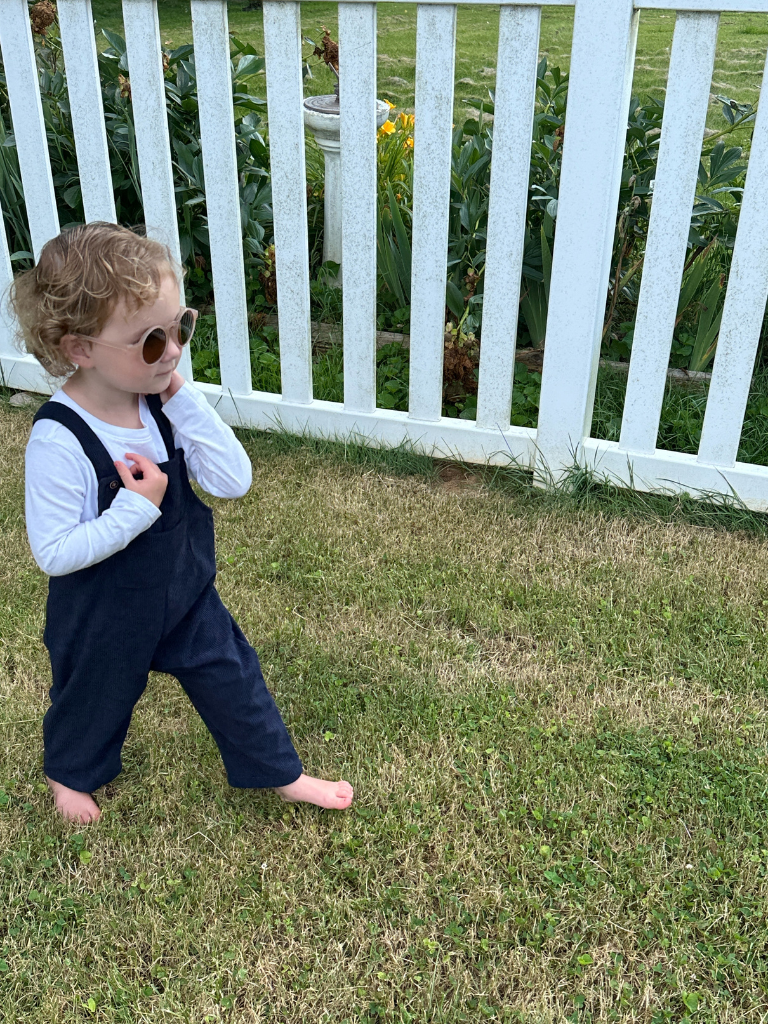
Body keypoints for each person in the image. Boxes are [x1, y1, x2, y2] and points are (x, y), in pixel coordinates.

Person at [9, 221, 353, 824]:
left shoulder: (163, 405)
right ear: (79, 348)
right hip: (102, 610)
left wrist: (183, 400)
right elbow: (54, 552)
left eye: (180, 328)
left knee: (233, 673)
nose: (171, 350)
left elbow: (233, 481)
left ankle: (281, 771)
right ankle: (70, 774)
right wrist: (135, 510)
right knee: (92, 695)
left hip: (185, 592)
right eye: (148, 342)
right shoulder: (59, 438)